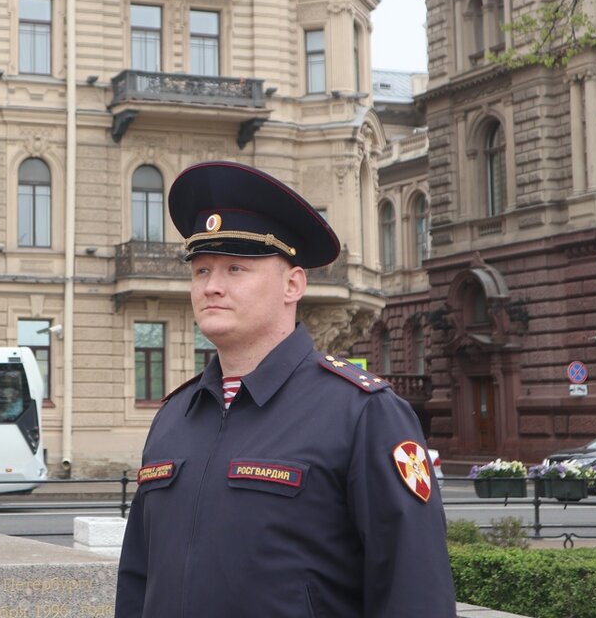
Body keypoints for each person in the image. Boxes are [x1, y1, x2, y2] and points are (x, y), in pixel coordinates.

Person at [115, 160, 456, 618]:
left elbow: (415, 593)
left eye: (235, 269)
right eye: (200, 271)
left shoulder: (362, 414)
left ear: (293, 284)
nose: (211, 287)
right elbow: (138, 581)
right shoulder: (174, 417)